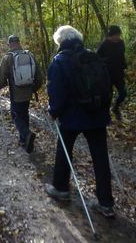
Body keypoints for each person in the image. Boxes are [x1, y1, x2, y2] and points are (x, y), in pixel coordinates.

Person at [45, 25, 114, 218]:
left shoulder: (59, 61)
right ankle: (106, 203)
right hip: (98, 114)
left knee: (64, 151)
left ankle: (61, 189)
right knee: (100, 159)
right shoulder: (93, 56)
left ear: (60, 41)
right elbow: (107, 86)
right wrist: (103, 110)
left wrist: (53, 111)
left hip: (72, 116)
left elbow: (56, 93)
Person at [0, 35, 43, 153]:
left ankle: (26, 134)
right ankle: (24, 140)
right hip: (28, 92)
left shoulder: (7, 57)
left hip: (16, 93)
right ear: (19, 42)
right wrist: (34, 88)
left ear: (9, 44)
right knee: (24, 113)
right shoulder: (29, 55)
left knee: (15, 114)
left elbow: (2, 76)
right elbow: (39, 75)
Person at [97, 25, 127, 121]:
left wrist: (125, 67)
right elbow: (97, 58)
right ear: (111, 35)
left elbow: (122, 56)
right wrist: (105, 61)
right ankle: (106, 115)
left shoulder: (121, 43)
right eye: (116, 35)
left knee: (123, 93)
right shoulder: (104, 44)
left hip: (119, 74)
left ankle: (115, 108)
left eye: (119, 34)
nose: (118, 36)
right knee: (108, 96)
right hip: (107, 75)